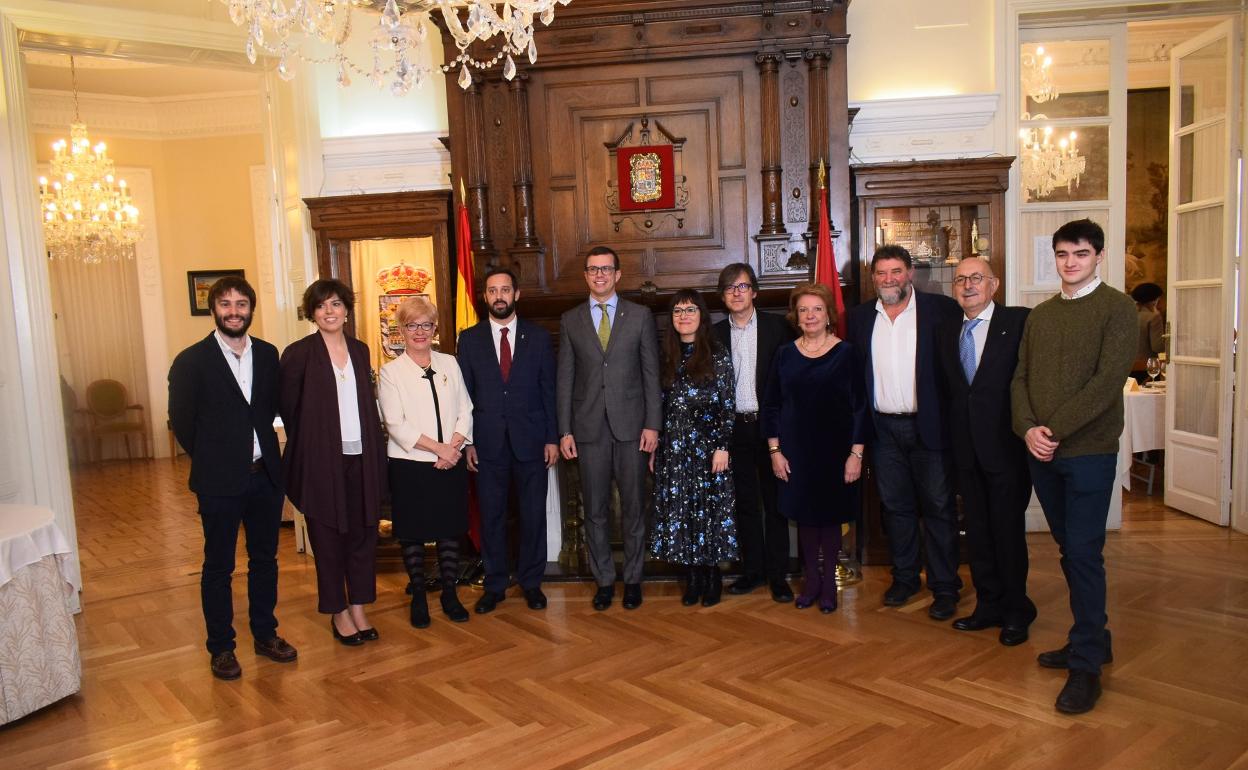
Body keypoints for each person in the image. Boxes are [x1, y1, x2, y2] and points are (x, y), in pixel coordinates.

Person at [1012, 219, 1136, 715]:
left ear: (1098, 256)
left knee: (1084, 554)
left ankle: (1086, 665)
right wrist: (1027, 429)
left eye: (1080, 254)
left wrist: (1054, 429)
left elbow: (1107, 383)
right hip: (1042, 452)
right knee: (1069, 550)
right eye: (1062, 254)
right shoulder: (1041, 316)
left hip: (1088, 453)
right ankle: (1093, 639)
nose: (1070, 262)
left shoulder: (1118, 309)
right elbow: (1019, 377)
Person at [168, 276, 298, 680]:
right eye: (225, 304)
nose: (234, 311)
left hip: (265, 478)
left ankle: (265, 634)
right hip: (218, 482)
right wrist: (216, 458)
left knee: (265, 560)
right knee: (218, 566)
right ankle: (221, 648)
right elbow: (183, 424)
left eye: (241, 304)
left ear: (251, 309)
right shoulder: (191, 360)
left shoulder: (267, 353)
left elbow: (275, 407)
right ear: (214, 310)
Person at [846, 245, 963, 620]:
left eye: (895, 271)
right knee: (896, 508)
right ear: (873, 277)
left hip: (929, 427)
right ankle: (906, 578)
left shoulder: (940, 311)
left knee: (940, 508)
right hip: (884, 430)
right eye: (881, 273)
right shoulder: (861, 318)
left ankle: (945, 587)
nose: (888, 280)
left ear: (909, 273)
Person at [279, 279, 387, 646]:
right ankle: (338, 612)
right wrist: (315, 446)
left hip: (362, 458)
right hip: (322, 463)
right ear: (312, 312)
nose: (330, 311)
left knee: (362, 536)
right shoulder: (297, 354)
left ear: (347, 310)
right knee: (328, 540)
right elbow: (290, 410)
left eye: (337, 304)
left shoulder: (360, 350)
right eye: (322, 305)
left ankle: (359, 607)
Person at [557, 245, 662, 611]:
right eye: (592, 270)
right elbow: (565, 379)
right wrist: (565, 430)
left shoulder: (640, 316)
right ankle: (604, 581)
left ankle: (633, 580)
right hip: (588, 431)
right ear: (585, 276)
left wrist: (653, 424)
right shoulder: (570, 320)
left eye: (606, 269)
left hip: (633, 428)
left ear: (618, 275)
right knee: (595, 510)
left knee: (634, 509)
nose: (599, 275)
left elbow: (652, 373)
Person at [936, 258, 1035, 646]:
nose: (967, 285)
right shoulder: (946, 331)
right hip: (965, 452)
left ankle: (1016, 611)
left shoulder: (1019, 323)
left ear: (993, 284)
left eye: (976, 278)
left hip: (1007, 449)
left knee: (1007, 532)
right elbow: (949, 393)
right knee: (976, 533)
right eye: (960, 279)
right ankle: (988, 605)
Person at [457, 267, 559, 614]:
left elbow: (549, 390)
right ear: (484, 297)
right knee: (492, 517)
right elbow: (465, 396)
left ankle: (532, 583)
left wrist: (552, 438)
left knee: (533, 515)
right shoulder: (468, 340)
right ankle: (495, 584)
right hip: (486, 445)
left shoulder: (539, 337)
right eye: (491, 290)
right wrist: (468, 442)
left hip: (532, 441)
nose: (498, 296)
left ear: (517, 295)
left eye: (505, 289)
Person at [763, 283, 867, 613]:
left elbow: (861, 407)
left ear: (828, 315)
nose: (810, 315)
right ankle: (811, 582)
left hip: (837, 452)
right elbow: (772, 406)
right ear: (796, 315)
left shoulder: (847, 353)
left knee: (831, 518)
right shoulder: (785, 354)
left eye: (817, 309)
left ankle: (829, 590)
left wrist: (856, 454)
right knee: (806, 519)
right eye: (804, 310)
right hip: (796, 452)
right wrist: (775, 452)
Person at [378, 296, 474, 628]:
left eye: (426, 324)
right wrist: (439, 450)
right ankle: (418, 596)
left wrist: (455, 445)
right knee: (413, 534)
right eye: (412, 325)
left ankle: (450, 593)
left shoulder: (450, 363)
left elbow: (466, 409)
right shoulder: (390, 372)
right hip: (411, 465)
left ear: (435, 328)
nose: (419, 332)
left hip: (452, 460)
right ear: (401, 330)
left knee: (450, 531)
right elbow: (395, 422)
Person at [713, 263, 796, 602]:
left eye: (743, 287)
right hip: (735, 430)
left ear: (755, 292)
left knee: (776, 504)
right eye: (730, 288)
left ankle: (778, 575)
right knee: (745, 504)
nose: (737, 293)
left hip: (772, 429)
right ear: (723, 296)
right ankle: (753, 571)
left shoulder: (780, 328)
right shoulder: (714, 335)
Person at [649, 289, 738, 607]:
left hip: (710, 451)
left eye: (689, 309)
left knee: (710, 515)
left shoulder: (717, 354)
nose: (683, 316)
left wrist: (722, 446)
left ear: (701, 316)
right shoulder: (667, 357)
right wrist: (657, 448)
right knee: (683, 514)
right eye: (677, 311)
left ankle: (712, 577)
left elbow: (729, 405)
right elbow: (659, 407)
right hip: (675, 451)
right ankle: (693, 579)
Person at [1130, 282, 1165, 381]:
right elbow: (1157, 346)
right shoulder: (1154, 317)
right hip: (1147, 369)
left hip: (1127, 367)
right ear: (1155, 300)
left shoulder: (1128, 314)